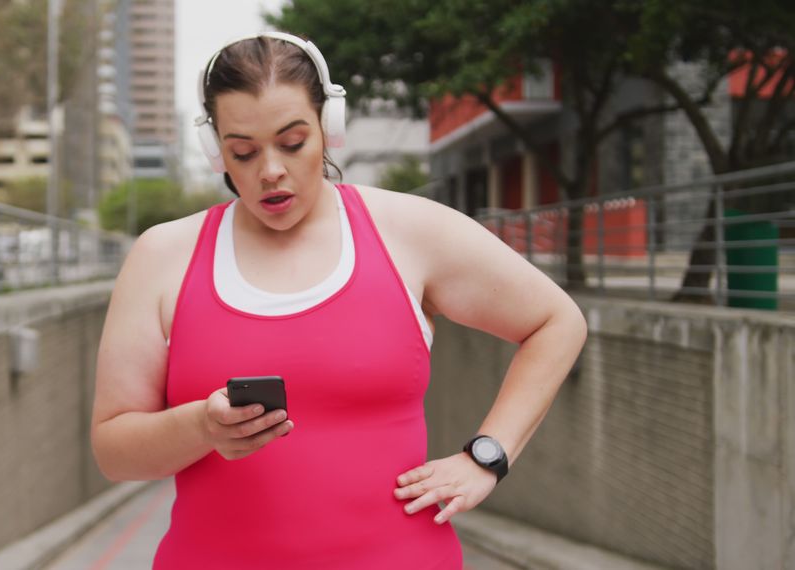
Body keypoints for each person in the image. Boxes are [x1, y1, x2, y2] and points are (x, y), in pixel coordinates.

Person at [90, 32, 587, 569]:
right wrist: (200, 428)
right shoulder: (163, 255)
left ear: (329, 129)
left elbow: (556, 321)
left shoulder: (410, 231)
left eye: (293, 141)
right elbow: (113, 450)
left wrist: (487, 457)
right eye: (243, 151)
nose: (270, 170)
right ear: (216, 151)